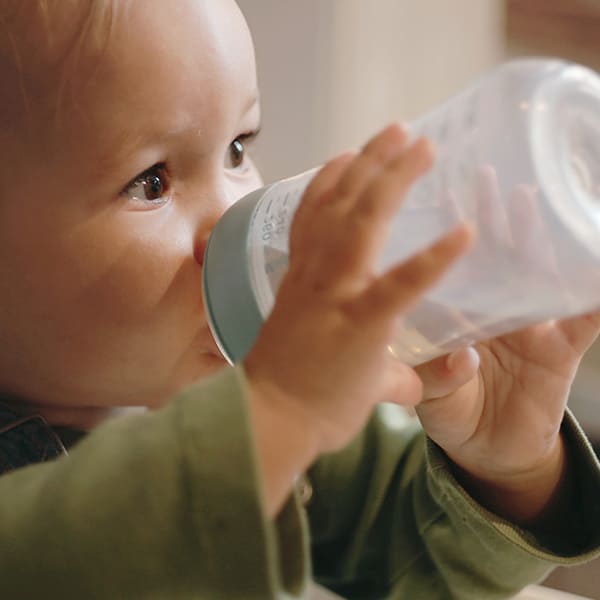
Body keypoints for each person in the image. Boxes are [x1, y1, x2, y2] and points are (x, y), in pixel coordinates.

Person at [0, 1, 598, 598]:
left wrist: (506, 466)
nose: (233, 215)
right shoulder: (252, 418)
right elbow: (51, 555)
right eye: (152, 180)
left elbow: (406, 567)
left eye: (237, 148)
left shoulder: (231, 387)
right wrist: (277, 414)